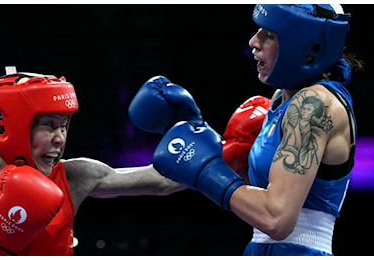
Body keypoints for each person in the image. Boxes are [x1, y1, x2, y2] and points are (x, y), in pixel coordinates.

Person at [130, 4, 363, 256]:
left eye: (269, 35)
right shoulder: (281, 101)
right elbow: (174, 182)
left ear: (307, 47)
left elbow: (277, 219)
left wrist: (207, 170)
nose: (253, 42)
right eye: (258, 31)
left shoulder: (314, 104)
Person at [0, 69, 194, 256]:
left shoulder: (75, 176)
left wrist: (205, 141)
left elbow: (163, 181)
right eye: (50, 126)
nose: (60, 138)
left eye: (64, 126)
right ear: (13, 126)